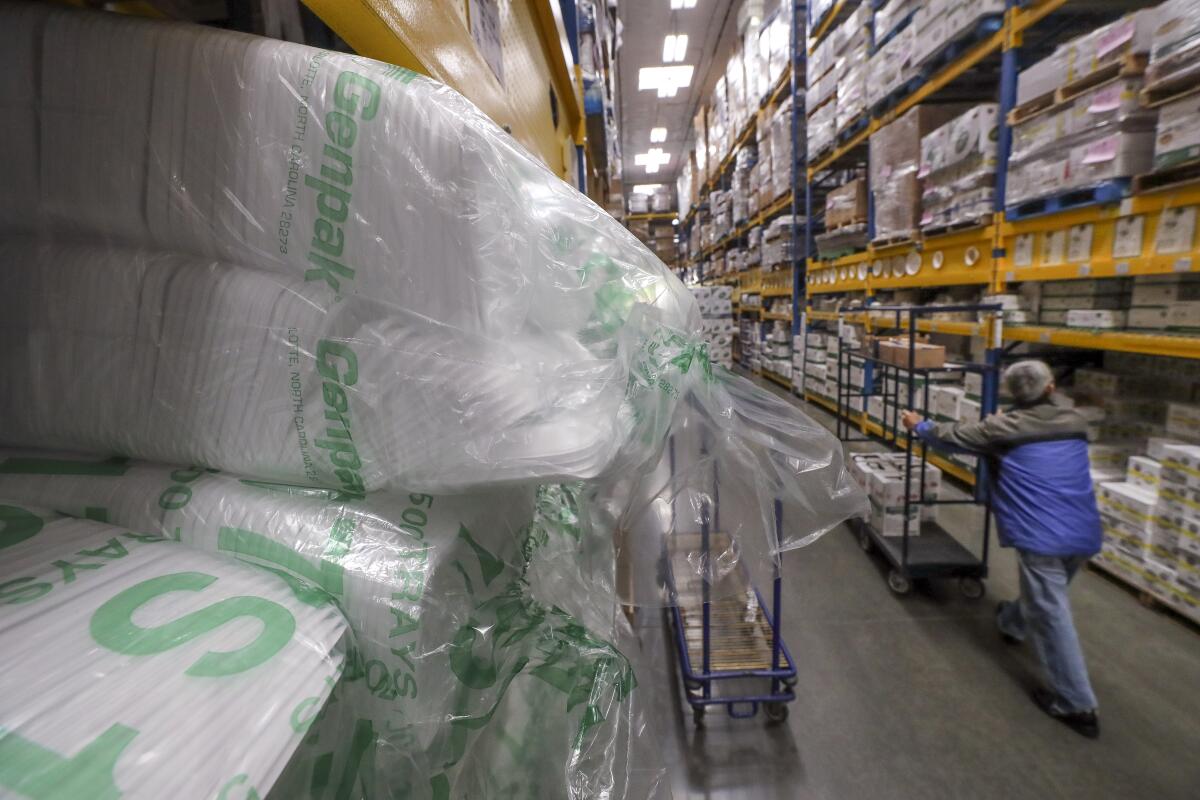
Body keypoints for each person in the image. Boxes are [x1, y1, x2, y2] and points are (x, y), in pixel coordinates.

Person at [900, 359, 1102, 739]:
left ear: (1010, 392)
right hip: (1085, 532)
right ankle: (1012, 622)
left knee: (1052, 611)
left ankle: (1076, 703)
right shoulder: (1076, 422)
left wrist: (918, 426)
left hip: (1041, 535)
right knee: (1048, 596)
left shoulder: (1002, 428)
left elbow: (951, 435)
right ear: (1051, 386)